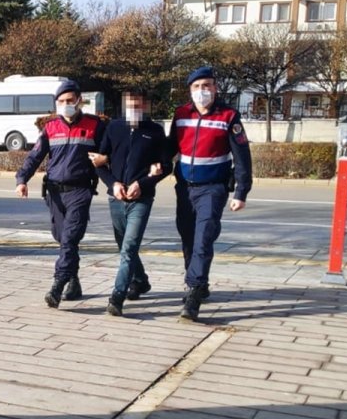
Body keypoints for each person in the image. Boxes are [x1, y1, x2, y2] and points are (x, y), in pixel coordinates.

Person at [169, 65, 252, 322]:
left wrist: (241, 192)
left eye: (206, 85)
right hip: (185, 187)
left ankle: (193, 293)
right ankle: (199, 282)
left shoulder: (228, 116)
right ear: (190, 90)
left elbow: (242, 157)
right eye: (196, 86)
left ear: (215, 88)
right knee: (188, 238)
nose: (202, 90)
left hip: (213, 188)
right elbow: (169, 147)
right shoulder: (181, 114)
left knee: (203, 238)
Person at [16, 79, 106, 308]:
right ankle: (74, 282)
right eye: (61, 101)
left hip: (80, 190)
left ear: (79, 101)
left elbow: (110, 151)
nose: (66, 104)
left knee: (69, 238)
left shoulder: (95, 125)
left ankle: (58, 284)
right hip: (55, 192)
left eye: (70, 100)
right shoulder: (51, 127)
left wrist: (107, 161)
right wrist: (22, 179)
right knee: (62, 238)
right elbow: (35, 156)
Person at [94, 91, 171, 317]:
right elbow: (99, 162)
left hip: (141, 199)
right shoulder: (114, 128)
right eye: (130, 105)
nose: (134, 110)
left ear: (146, 106)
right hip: (116, 198)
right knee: (124, 246)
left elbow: (166, 166)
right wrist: (113, 184)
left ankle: (117, 297)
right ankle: (140, 280)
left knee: (129, 247)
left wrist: (144, 183)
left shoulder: (155, 131)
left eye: (138, 105)